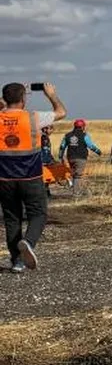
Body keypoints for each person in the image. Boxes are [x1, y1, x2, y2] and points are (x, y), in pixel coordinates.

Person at [0, 81, 67, 273]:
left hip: (4, 179)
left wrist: (7, 99)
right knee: (38, 214)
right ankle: (27, 242)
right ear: (23, 99)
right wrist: (51, 94)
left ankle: (17, 262)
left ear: (5, 99)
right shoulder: (33, 117)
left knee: (12, 219)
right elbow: (61, 112)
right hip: (31, 177)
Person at [58, 119, 102, 191]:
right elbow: (90, 146)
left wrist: (60, 156)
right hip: (81, 158)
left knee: (73, 174)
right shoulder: (84, 135)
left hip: (70, 157)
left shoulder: (67, 135)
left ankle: (73, 188)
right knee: (78, 175)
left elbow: (62, 146)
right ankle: (76, 193)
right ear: (83, 127)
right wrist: (98, 151)